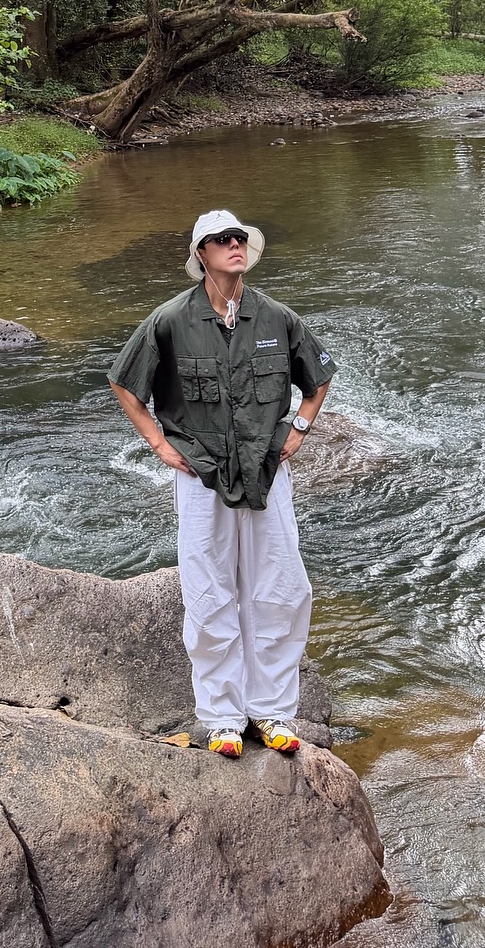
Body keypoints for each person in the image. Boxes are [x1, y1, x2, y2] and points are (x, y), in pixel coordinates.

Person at [108, 207, 334, 759]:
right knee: (210, 591)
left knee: (281, 587)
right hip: (200, 474)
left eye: (240, 238)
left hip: (266, 471)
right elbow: (124, 385)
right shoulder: (168, 320)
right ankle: (223, 718)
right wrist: (160, 445)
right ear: (202, 255)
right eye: (221, 240)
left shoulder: (277, 317)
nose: (235, 245)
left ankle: (274, 712)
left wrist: (299, 429)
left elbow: (319, 376)